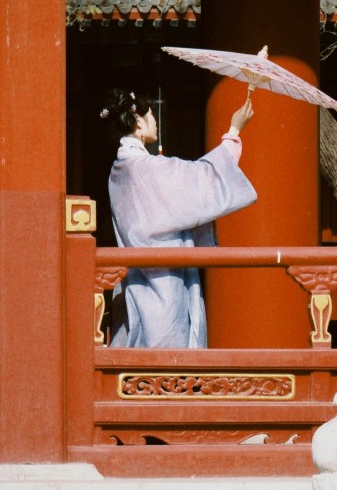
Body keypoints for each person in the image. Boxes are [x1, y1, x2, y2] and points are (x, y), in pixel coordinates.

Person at [99, 87, 256, 348]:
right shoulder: (147, 169)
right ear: (138, 122)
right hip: (165, 277)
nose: (156, 120)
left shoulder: (119, 170)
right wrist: (234, 131)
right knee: (167, 355)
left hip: (136, 275)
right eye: (151, 115)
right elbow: (201, 181)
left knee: (139, 355)